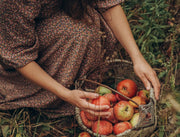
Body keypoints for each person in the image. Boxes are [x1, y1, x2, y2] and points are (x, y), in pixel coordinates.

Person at [0, 0, 160, 119]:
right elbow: (19, 55)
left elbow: (107, 4)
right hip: (15, 40)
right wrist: (65, 94)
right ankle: (54, 96)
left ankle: (79, 83)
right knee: (78, 33)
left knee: (86, 30)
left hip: (57, 14)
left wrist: (137, 58)